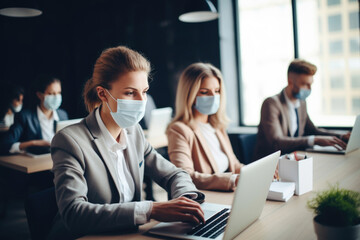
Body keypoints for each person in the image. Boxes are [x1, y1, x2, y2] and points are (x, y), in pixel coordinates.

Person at [47, 46, 205, 240]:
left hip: (128, 235)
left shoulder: (133, 131)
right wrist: (151, 209)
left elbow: (173, 174)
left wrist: (186, 199)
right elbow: (74, 213)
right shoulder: (69, 141)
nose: (141, 101)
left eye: (144, 91)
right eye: (130, 93)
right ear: (103, 94)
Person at [166, 63, 243, 191]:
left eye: (217, 91)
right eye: (204, 92)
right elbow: (185, 177)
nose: (213, 97)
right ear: (190, 95)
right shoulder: (179, 130)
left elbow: (234, 165)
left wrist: (258, 173)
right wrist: (232, 180)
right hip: (208, 199)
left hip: (229, 193)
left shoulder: (217, 126)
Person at [253, 59, 350, 160]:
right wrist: (314, 140)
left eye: (310, 84)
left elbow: (312, 130)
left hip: (292, 160)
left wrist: (341, 136)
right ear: (290, 82)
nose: (309, 89)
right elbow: (277, 142)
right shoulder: (271, 104)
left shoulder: (301, 102)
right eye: (305, 84)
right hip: (271, 165)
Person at [0, 75, 68, 155]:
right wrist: (33, 143)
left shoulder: (63, 115)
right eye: (51, 93)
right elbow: (4, 145)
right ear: (40, 95)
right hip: (36, 164)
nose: (56, 97)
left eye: (58, 93)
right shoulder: (25, 117)